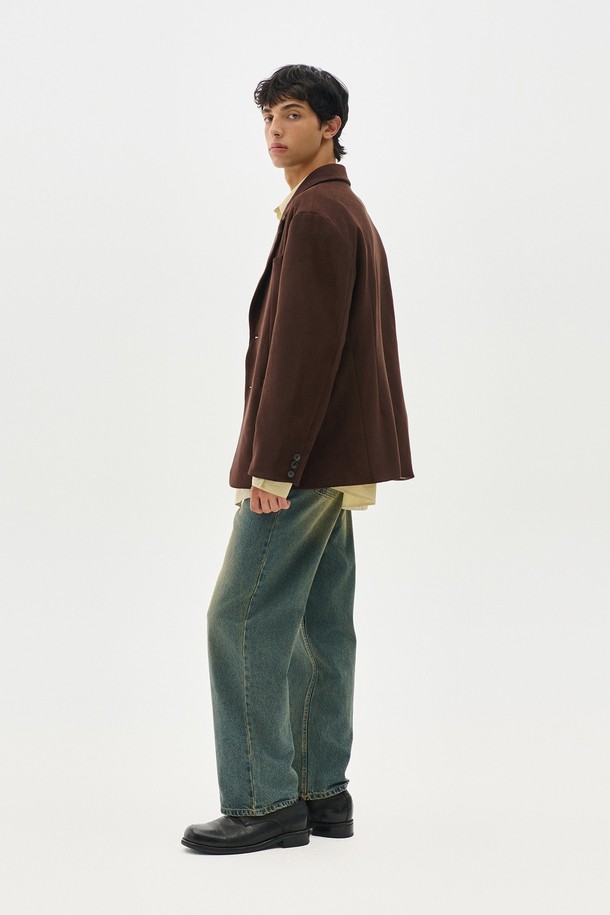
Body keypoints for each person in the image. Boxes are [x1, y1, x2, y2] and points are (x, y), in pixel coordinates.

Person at [182, 64, 414, 855]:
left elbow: (303, 357)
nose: (276, 131)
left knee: (240, 617)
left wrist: (273, 466)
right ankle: (322, 792)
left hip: (302, 463)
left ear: (331, 124)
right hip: (335, 458)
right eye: (268, 118)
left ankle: (263, 801)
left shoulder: (317, 215)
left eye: (292, 114)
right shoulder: (341, 207)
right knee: (319, 626)